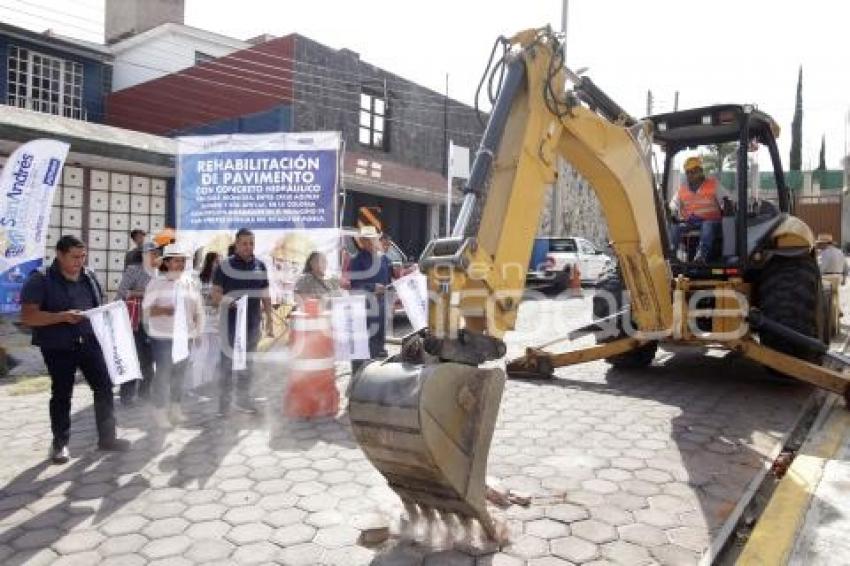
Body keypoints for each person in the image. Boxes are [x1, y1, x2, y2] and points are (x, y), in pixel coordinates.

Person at [19, 235, 130, 464]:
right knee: (62, 394)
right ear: (59, 255)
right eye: (74, 257)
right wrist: (62, 317)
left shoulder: (89, 276)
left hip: (89, 343)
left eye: (83, 256)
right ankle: (60, 445)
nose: (79, 261)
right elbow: (28, 316)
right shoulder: (40, 279)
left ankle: (107, 439)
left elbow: (98, 306)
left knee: (104, 388)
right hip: (58, 346)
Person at [211, 228, 274, 416]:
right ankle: (224, 406)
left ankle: (243, 401)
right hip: (229, 325)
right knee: (227, 364)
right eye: (245, 243)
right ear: (236, 244)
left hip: (252, 324)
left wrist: (269, 318)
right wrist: (228, 302)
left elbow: (265, 294)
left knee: (248, 365)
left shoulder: (260, 266)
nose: (248, 247)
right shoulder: (223, 266)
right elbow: (215, 295)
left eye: (251, 243)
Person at [143, 243, 204, 427]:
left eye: (183, 261)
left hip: (186, 337)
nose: (180, 264)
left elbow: (198, 309)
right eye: (176, 261)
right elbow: (145, 311)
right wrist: (162, 309)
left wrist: (198, 331)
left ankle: (175, 408)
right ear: (167, 263)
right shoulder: (156, 283)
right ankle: (159, 411)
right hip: (162, 337)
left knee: (179, 374)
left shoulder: (189, 283)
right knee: (163, 373)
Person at [115, 242, 159, 406]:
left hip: (155, 324)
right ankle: (127, 394)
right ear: (143, 255)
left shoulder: (161, 272)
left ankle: (145, 393)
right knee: (132, 358)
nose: (154, 256)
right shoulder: (133, 270)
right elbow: (122, 293)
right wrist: (144, 293)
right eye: (151, 253)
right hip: (134, 323)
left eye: (156, 253)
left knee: (149, 360)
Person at [669, 155, 733, 263]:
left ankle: (700, 256)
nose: (691, 174)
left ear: (701, 171)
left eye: (694, 171)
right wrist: (672, 213)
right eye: (688, 172)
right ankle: (671, 256)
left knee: (707, 225)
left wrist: (727, 210)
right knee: (674, 227)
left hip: (713, 223)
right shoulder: (682, 189)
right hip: (691, 222)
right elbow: (673, 205)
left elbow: (726, 201)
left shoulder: (713, 185)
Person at [349, 226, 392, 371]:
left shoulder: (384, 258)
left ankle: (374, 373)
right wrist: (373, 287)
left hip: (379, 304)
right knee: (363, 342)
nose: (369, 242)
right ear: (361, 241)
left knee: (378, 340)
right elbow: (354, 285)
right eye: (365, 239)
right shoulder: (357, 260)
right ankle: (358, 375)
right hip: (363, 306)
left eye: (371, 239)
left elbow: (388, 279)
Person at [187, 251, 222, 391]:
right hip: (202, 319)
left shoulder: (220, 280)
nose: (219, 264)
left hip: (216, 320)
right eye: (217, 262)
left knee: (214, 353)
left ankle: (208, 384)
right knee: (200, 353)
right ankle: (196, 384)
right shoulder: (199, 279)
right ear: (210, 262)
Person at [816, 233, 847, 316]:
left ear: (825, 243)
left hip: (827, 277)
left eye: (820, 244)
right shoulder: (840, 252)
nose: (819, 245)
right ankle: (838, 310)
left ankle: (827, 312)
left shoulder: (824, 253)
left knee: (823, 295)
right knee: (835, 293)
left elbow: (822, 267)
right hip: (838, 277)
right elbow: (845, 266)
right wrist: (844, 278)